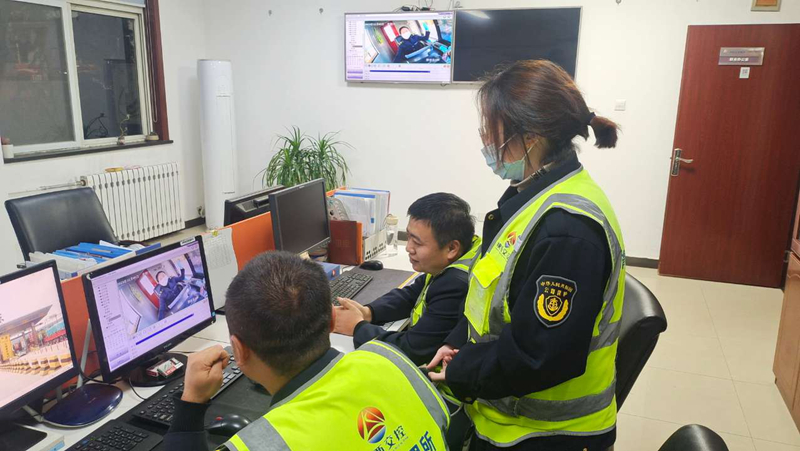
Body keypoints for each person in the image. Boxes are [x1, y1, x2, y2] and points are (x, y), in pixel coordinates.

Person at [427, 60, 626, 451]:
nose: (485, 139)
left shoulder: (567, 230)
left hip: (545, 433)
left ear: (531, 137)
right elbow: (489, 302)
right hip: (502, 410)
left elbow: (540, 357)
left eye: (491, 128)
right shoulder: (532, 197)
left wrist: (462, 370)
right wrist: (457, 344)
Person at [163, 251, 450, 450]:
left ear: (238, 350)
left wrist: (191, 404)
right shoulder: (392, 361)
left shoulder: (264, 443)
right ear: (333, 320)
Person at [333, 192, 481, 366]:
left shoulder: (456, 284)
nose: (408, 248)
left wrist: (357, 327)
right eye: (408, 237)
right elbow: (411, 295)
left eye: (417, 243)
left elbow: (410, 350)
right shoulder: (461, 256)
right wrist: (369, 312)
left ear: (452, 248)